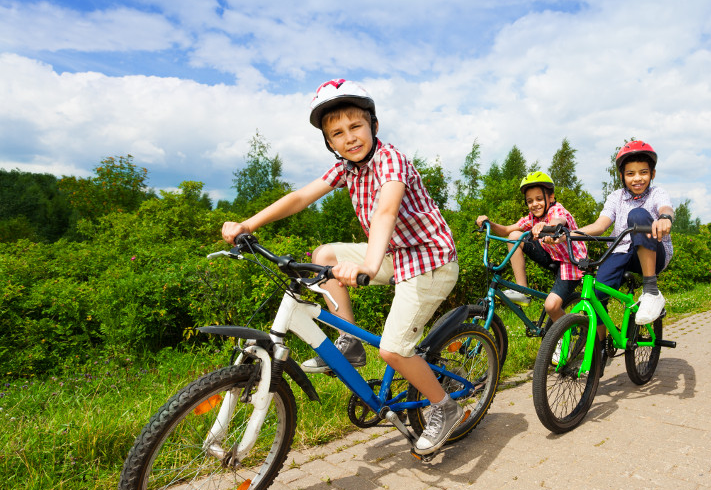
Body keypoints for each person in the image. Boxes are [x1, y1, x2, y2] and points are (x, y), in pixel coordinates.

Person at [221, 79, 463, 454]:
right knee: (324, 256)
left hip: (430, 260)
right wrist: (247, 225)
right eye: (337, 133)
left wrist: (367, 263)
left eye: (356, 127)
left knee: (394, 350)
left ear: (374, 127)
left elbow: (386, 210)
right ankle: (349, 342)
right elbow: (301, 196)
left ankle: (445, 408)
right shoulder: (346, 169)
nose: (349, 138)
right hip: (395, 254)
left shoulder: (390, 160)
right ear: (329, 142)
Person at [576, 140, 674, 326]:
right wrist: (570, 233)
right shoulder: (616, 197)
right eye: (630, 173)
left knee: (637, 215)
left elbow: (667, 208)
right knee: (596, 295)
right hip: (621, 253)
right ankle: (600, 348)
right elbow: (600, 225)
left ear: (652, 174)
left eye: (643, 172)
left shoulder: (657, 193)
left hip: (653, 252)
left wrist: (664, 218)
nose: (637, 178)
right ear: (622, 176)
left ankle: (651, 291)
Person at [475, 171, 586, 322]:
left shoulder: (556, 209)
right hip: (552, 256)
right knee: (514, 236)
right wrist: (489, 223)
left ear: (551, 197)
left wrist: (546, 225)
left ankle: (566, 335)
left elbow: (558, 221)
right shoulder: (532, 218)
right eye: (530, 201)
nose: (534, 204)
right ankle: (522, 291)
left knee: (552, 306)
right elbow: (507, 230)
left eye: (539, 199)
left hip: (571, 261)